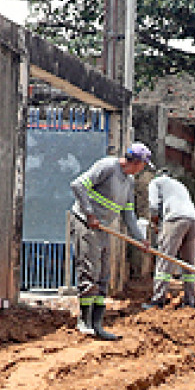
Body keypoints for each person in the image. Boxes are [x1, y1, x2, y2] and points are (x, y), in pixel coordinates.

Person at [68, 142, 151, 340]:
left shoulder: (129, 181)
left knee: (104, 275)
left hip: (103, 228)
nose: (143, 169)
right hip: (86, 223)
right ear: (136, 162)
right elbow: (77, 185)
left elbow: (128, 214)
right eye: (144, 165)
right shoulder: (108, 166)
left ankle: (97, 324)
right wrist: (89, 214)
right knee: (89, 271)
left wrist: (140, 239)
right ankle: (84, 321)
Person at [145, 170, 195, 308]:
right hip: (193, 220)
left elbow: (153, 206)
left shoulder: (155, 182)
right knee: (188, 263)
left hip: (175, 219)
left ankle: (158, 300)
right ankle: (189, 300)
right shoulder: (180, 185)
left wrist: (155, 223)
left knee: (165, 260)